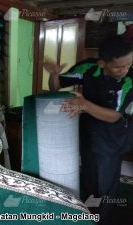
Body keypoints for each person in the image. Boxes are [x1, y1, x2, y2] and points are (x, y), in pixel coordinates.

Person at [43, 35, 133, 225]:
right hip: (88, 136)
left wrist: (85, 105)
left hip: (112, 140)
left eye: (129, 64)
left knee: (106, 187)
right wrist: (54, 75)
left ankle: (103, 221)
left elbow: (115, 116)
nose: (125, 70)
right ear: (102, 63)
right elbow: (56, 86)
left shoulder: (129, 81)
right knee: (89, 180)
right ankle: (88, 215)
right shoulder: (87, 68)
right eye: (119, 67)